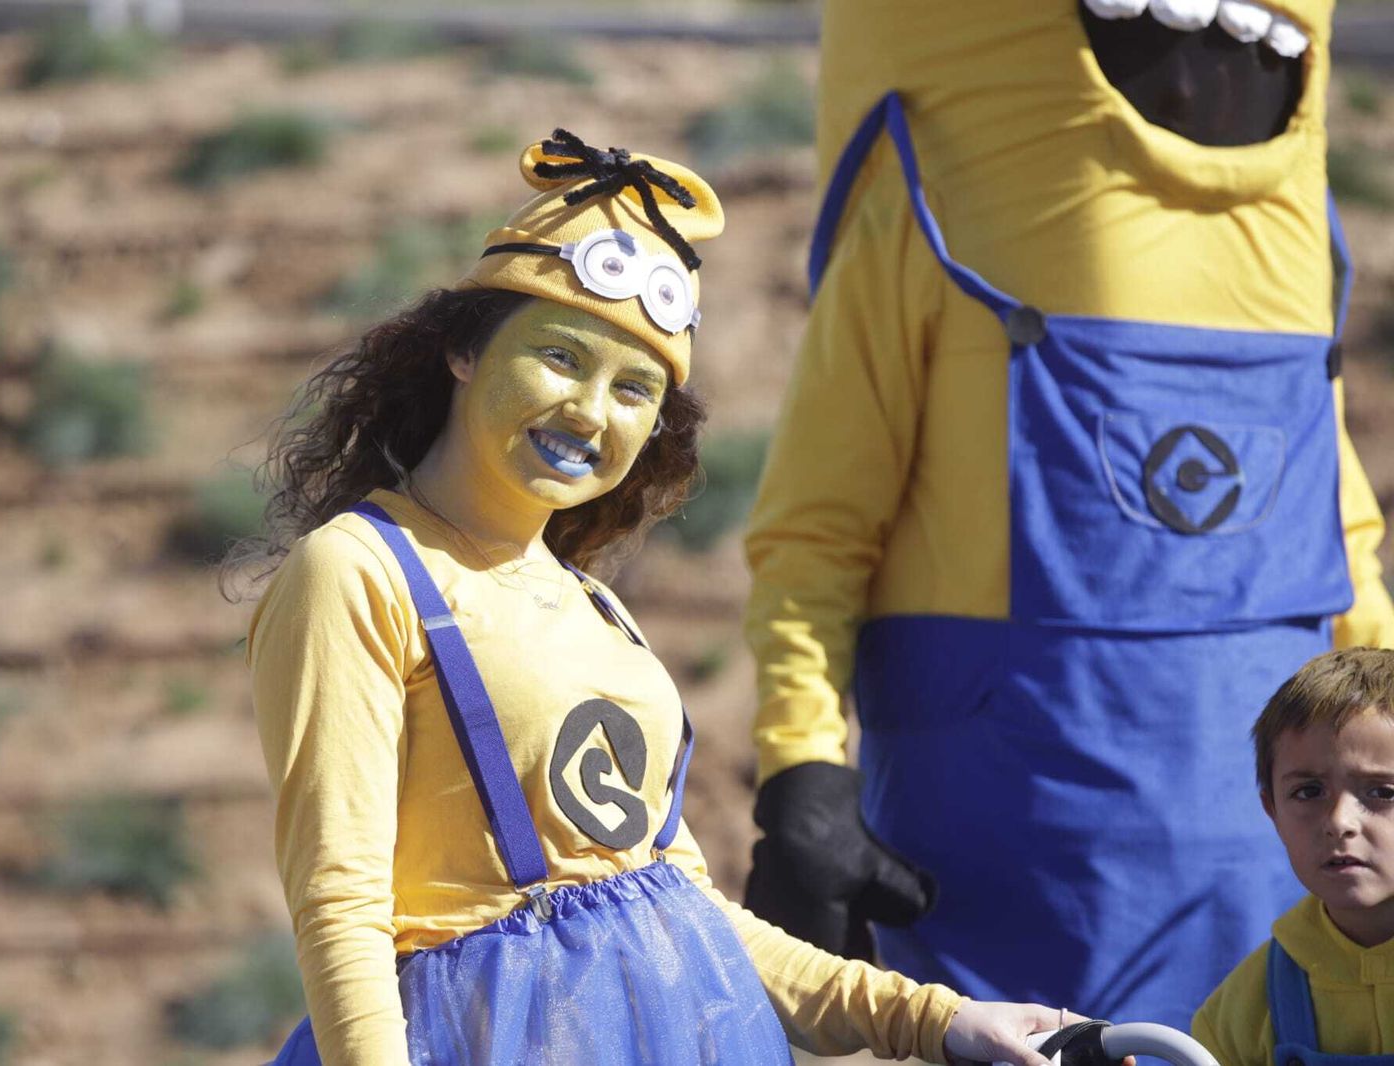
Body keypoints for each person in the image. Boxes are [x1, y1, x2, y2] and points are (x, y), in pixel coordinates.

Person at [240, 132, 1072, 1065]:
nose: (593, 413)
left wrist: (938, 1019)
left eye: (634, 388)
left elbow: (687, 915)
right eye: (559, 357)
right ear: (463, 352)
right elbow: (340, 903)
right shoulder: (358, 570)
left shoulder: (599, 611)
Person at [741, 0, 1394, 1031]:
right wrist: (802, 768)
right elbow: (816, 531)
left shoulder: (1292, 248)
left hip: (1281, 903)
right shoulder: (932, 205)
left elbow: (1338, 536)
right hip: (1008, 900)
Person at [1192, 647, 1394, 1066]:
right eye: (1308, 792)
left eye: (1382, 792)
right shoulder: (1242, 1010)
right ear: (1273, 811)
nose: (1340, 822)